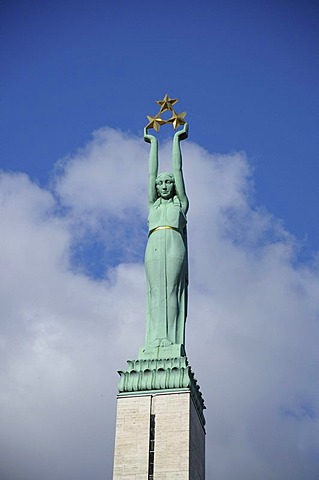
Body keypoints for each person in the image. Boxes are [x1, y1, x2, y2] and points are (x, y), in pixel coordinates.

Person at [143, 123, 189, 351]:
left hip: (173, 243)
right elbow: (151, 173)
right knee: (155, 292)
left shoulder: (181, 205)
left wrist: (175, 141)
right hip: (154, 244)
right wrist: (153, 143)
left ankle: (169, 339)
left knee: (171, 290)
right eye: (159, 183)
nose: (163, 185)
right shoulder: (153, 206)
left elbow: (178, 171)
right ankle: (154, 340)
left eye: (167, 182)